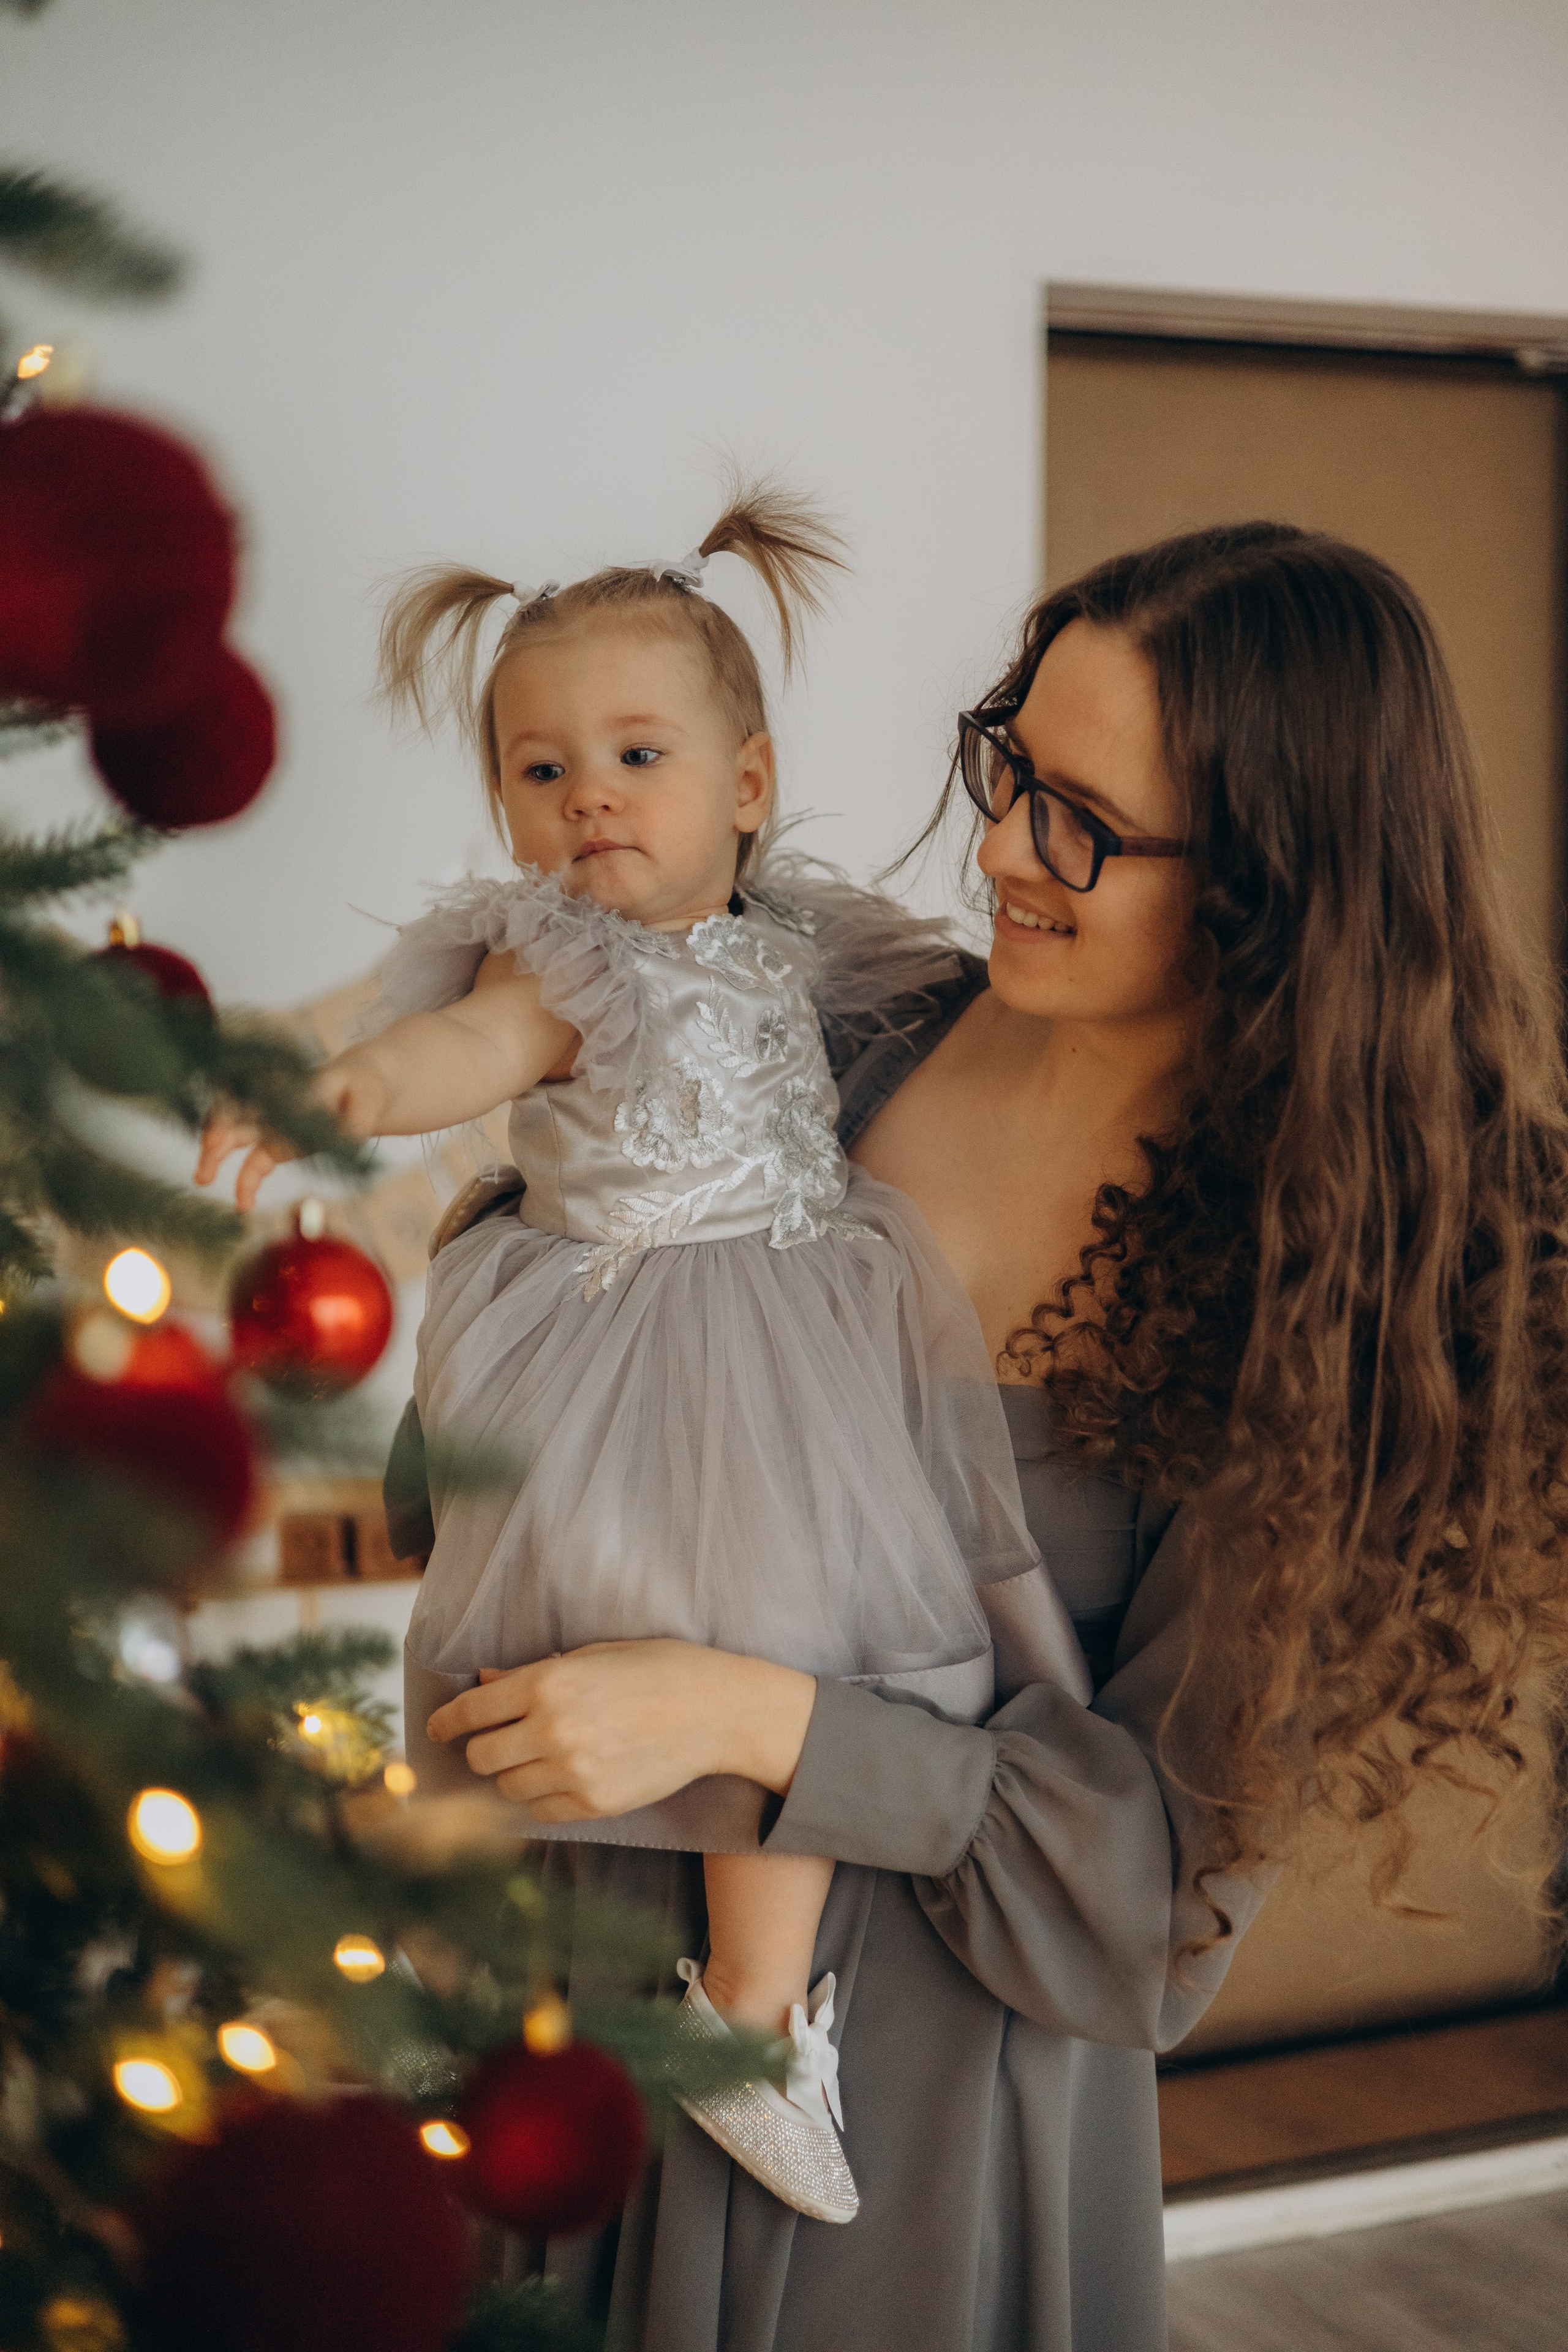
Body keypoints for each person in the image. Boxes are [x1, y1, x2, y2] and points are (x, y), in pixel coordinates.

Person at [391, 519, 1568, 2351]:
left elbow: (1145, 1911)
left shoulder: (1312, 1314)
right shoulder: (847, 1035)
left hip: (910, 2122)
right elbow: (531, 1403)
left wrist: (747, 1717)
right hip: (579, 1976)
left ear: (1274, 884)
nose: (1003, 848)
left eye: (1087, 822)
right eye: (1010, 767)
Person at [195, 483, 1087, 2229]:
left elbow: (960, 1009)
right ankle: (461, 1974)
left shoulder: (807, 948)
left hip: (797, 1345)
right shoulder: (564, 960)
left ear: (745, 788)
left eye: (634, 755)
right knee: (515, 1654)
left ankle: (760, 2018)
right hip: (613, 1343)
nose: (587, 795)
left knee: (801, 1657)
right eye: (540, 770)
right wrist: (338, 1099)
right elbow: (455, 1052)